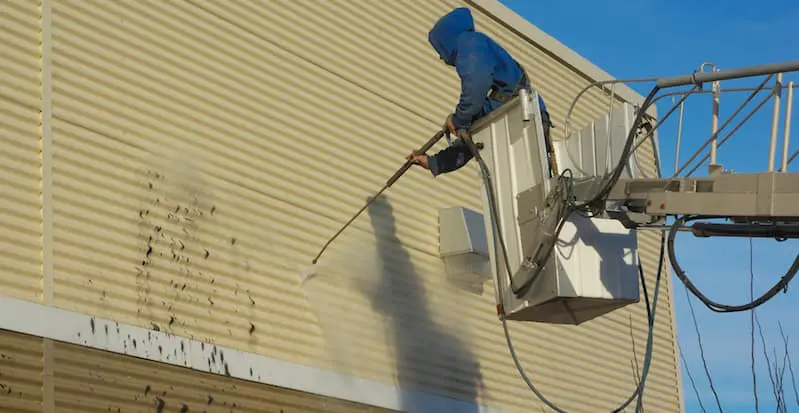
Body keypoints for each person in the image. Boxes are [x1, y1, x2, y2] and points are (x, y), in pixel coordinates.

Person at [408, 7, 553, 177]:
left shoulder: (470, 43)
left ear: (446, 40)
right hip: (519, 118)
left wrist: (458, 118)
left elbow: (475, 87)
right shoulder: (495, 99)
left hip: (524, 117)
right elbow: (473, 138)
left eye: (440, 49)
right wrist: (434, 162)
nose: (441, 57)